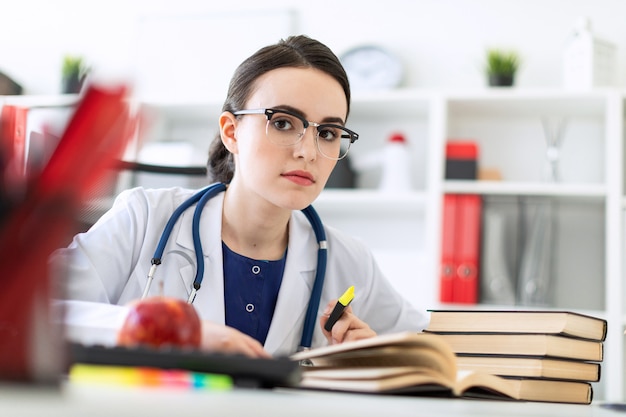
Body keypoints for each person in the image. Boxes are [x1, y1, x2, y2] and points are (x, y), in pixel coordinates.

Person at [56, 34, 428, 358]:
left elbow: (422, 346)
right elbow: (33, 312)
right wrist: (168, 331)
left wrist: (375, 357)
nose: (309, 152)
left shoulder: (348, 260)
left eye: (328, 132)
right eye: (283, 123)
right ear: (231, 132)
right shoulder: (144, 218)